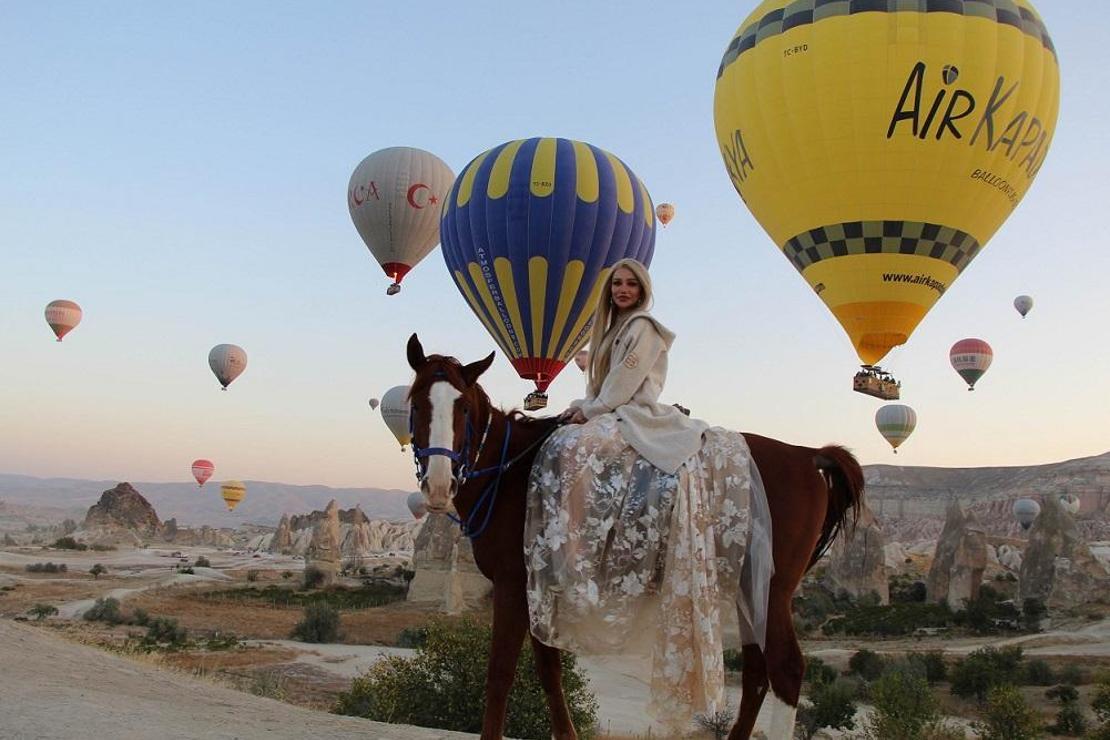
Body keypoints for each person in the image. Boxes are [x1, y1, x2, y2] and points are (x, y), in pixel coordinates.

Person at [523, 258, 773, 730]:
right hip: (613, 409)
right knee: (566, 440)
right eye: (616, 283)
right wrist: (585, 404)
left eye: (630, 283)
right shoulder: (610, 327)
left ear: (643, 289)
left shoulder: (644, 327)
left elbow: (622, 386)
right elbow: (602, 385)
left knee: (579, 448)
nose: (622, 289)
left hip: (636, 413)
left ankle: (585, 543)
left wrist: (590, 410)